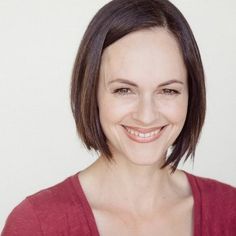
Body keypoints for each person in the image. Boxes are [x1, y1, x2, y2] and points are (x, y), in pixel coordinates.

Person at [2, 0, 236, 235]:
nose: (146, 116)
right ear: (91, 92)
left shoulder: (230, 212)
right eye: (124, 90)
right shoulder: (37, 225)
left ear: (191, 96)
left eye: (168, 91)